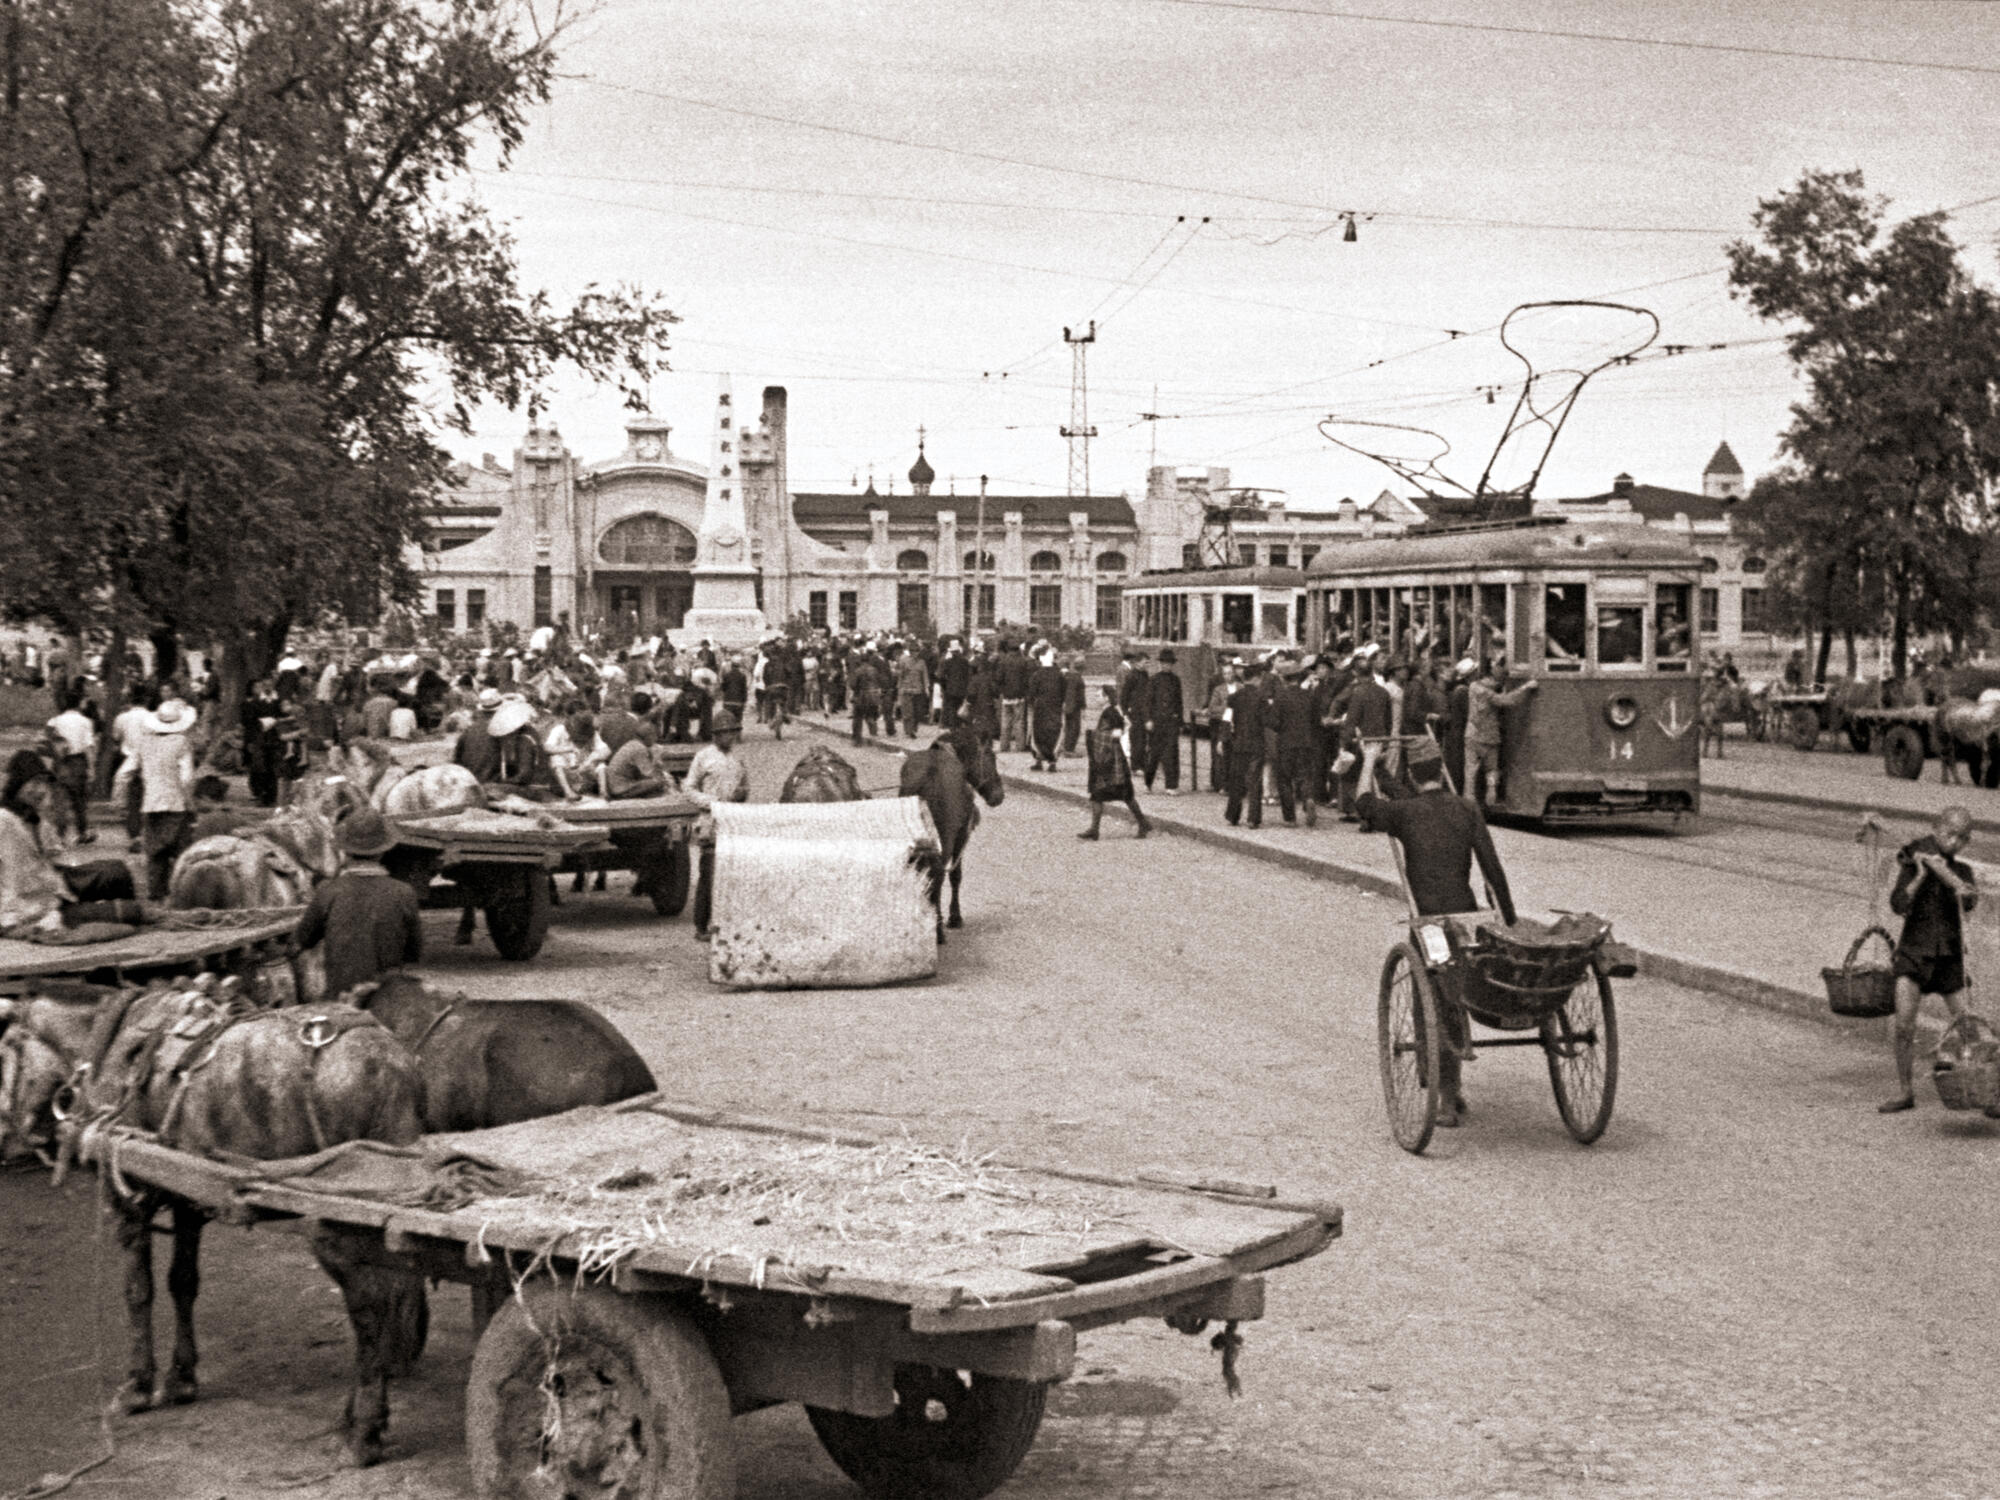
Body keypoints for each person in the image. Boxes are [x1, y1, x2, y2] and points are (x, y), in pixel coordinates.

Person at [1355, 737, 1519, 1128]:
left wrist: (1369, 761)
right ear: (1441, 770)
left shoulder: (1407, 814)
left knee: (1430, 998)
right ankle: (1452, 1084)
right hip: (1465, 920)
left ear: (1413, 774)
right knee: (1453, 994)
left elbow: (1365, 804)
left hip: (1429, 923)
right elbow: (1492, 867)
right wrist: (1507, 919)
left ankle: (1446, 1099)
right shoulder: (1465, 808)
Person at [1879, 807, 1992, 1115]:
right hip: (1914, 954)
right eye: (1948, 834)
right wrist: (1919, 876)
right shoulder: (1917, 860)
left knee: (1970, 1028)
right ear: (1936, 829)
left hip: (1948, 959)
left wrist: (1957, 885)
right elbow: (1898, 903)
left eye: (1961, 838)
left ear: (1967, 841)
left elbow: (1969, 902)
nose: (1953, 842)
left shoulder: (1962, 873)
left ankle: (1987, 1090)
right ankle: (1905, 1091)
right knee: (1903, 1026)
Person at [292, 808, 423, 1002]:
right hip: (388, 999)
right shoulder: (404, 892)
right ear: (383, 852)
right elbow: (413, 952)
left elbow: (303, 940)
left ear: (346, 852)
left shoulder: (328, 891)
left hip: (341, 997)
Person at [0, 751, 136, 935]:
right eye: (34, 782)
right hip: (26, 908)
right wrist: (9, 918)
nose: (40, 789)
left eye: (43, 783)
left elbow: (57, 853)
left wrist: (45, 812)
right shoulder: (4, 820)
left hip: (52, 893)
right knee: (124, 903)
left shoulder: (34, 817)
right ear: (17, 784)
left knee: (116, 870)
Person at [117, 689, 199, 900]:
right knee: (181, 854)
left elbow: (124, 773)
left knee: (155, 854)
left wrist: (120, 800)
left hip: (151, 805)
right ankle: (181, 896)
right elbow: (187, 778)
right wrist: (191, 804)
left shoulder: (143, 743)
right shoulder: (182, 744)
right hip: (176, 805)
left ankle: (156, 896)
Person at [686, 708, 749, 936]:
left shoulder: (738, 760)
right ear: (715, 735)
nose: (729, 737)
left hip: (733, 822)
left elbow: (745, 785)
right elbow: (689, 787)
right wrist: (711, 801)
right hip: (711, 822)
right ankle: (701, 925)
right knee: (709, 876)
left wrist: (742, 794)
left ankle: (725, 923)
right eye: (724, 733)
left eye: (732, 732)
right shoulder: (703, 757)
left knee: (733, 875)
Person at [1080, 686, 1151, 840]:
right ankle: (1141, 822)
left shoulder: (1110, 712)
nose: (1097, 698)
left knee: (1103, 793)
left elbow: (1118, 731)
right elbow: (1125, 725)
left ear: (1106, 698)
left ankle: (1142, 823)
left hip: (1110, 760)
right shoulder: (1111, 711)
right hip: (1112, 759)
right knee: (1119, 794)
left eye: (1099, 695)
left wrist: (1100, 736)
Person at [1464, 659, 1537, 809]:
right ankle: (1491, 800)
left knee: (1470, 774)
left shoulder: (1473, 687)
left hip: (1471, 735)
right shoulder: (1487, 692)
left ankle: (1469, 805)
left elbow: (1492, 687)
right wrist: (1525, 687)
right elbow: (1506, 700)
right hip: (1489, 737)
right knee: (1491, 773)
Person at [1268, 657, 1318, 827]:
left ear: (1283, 678)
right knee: (1305, 776)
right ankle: (1308, 798)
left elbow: (1274, 723)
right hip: (1306, 743)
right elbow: (1315, 721)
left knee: (1285, 780)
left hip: (1286, 744)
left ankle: (1290, 818)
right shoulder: (1309, 696)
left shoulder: (1280, 697)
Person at [45, 689, 97, 845]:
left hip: (60, 763)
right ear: (79, 703)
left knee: (59, 800)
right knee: (79, 800)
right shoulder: (85, 722)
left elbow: (48, 743)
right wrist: (91, 768)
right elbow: (88, 746)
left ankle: (60, 835)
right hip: (78, 763)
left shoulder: (54, 721)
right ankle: (82, 832)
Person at [1224, 661, 1271, 829]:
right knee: (1254, 781)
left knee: (1236, 780)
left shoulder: (1234, 697)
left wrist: (1224, 740)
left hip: (1238, 744)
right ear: (1257, 679)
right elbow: (1267, 721)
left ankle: (1233, 816)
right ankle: (1253, 818)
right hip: (1256, 744)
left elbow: (1227, 719)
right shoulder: (1261, 698)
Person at [1144, 651, 1185, 794]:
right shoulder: (1153, 680)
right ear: (1160, 664)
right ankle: (1148, 781)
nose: (1167, 666)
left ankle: (1171, 785)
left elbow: (1179, 702)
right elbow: (1148, 702)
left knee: (1171, 753)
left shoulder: (1176, 680)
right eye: (1165, 663)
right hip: (1156, 721)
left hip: (1171, 722)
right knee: (1154, 754)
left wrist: (1180, 722)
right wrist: (1148, 719)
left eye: (1169, 663)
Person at [1027, 649, 1065, 771]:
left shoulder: (1037, 675)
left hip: (1040, 708)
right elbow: (1064, 691)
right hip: (1055, 707)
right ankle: (1052, 761)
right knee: (1053, 733)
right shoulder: (1059, 675)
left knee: (1039, 733)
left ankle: (1038, 760)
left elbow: (1032, 693)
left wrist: (1031, 703)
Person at [995, 641, 1030, 753]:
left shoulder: (1003, 661)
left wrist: (1002, 689)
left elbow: (998, 678)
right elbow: (1026, 679)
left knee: (1005, 722)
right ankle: (1020, 746)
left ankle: (1004, 746)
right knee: (1019, 722)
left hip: (1006, 696)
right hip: (1019, 696)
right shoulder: (1023, 662)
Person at [894, 644, 932, 739]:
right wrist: (899, 688)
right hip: (907, 689)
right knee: (908, 712)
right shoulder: (904, 661)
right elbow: (901, 676)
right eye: (913, 651)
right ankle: (909, 731)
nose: (915, 653)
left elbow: (925, 675)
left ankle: (914, 728)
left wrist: (927, 688)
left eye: (916, 651)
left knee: (918, 711)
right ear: (910, 652)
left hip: (918, 690)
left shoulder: (922, 662)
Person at [937, 640, 969, 729]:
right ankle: (959, 726)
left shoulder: (948, 662)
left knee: (951, 708)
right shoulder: (965, 662)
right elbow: (968, 676)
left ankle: (952, 727)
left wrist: (944, 686)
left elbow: (941, 676)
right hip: (962, 689)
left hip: (950, 689)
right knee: (960, 708)